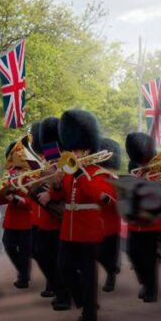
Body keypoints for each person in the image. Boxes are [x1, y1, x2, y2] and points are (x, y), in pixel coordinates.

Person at [48, 110, 112, 321]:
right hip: (69, 228)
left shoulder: (98, 173)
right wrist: (56, 183)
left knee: (88, 271)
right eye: (72, 151)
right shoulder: (69, 173)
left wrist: (79, 174)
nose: (75, 155)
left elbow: (96, 194)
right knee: (64, 267)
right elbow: (60, 196)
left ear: (88, 150)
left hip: (89, 227)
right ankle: (84, 300)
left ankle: (90, 312)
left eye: (79, 151)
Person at [30, 118, 70, 310]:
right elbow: (35, 192)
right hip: (47, 222)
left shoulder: (69, 165)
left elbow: (70, 192)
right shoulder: (47, 167)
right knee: (41, 254)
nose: (52, 158)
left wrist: (52, 191)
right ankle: (58, 288)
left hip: (64, 222)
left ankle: (64, 295)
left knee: (61, 261)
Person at [0, 141, 34, 290]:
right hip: (11, 222)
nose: (15, 171)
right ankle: (23, 272)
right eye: (15, 169)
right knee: (9, 246)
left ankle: (23, 277)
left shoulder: (31, 182)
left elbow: (31, 203)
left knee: (24, 251)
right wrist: (6, 193)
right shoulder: (11, 182)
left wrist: (15, 199)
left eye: (19, 169)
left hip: (25, 222)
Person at [125, 132, 159, 302]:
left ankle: (151, 290)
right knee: (133, 253)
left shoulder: (158, 162)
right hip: (137, 219)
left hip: (155, 220)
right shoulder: (133, 164)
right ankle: (145, 283)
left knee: (149, 255)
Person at [95, 138, 122, 293]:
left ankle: (111, 273)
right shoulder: (95, 177)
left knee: (109, 254)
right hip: (96, 223)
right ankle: (112, 268)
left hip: (111, 223)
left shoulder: (115, 180)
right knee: (97, 254)